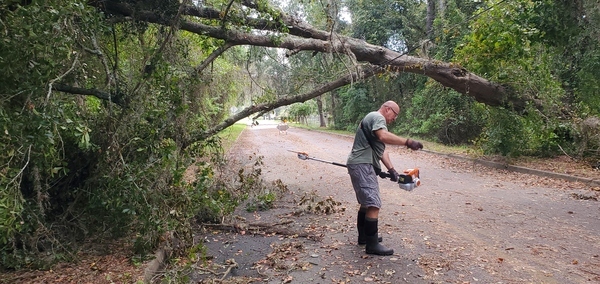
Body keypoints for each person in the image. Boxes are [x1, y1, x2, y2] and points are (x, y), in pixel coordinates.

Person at [346, 100, 423, 255]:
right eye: (395, 115)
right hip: (363, 165)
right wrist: (407, 142)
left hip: (361, 164)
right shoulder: (377, 117)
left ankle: (365, 237)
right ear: (388, 109)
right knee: (374, 203)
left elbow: (381, 150)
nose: (394, 119)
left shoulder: (373, 119)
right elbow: (383, 136)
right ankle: (372, 245)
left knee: (367, 203)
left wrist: (392, 170)